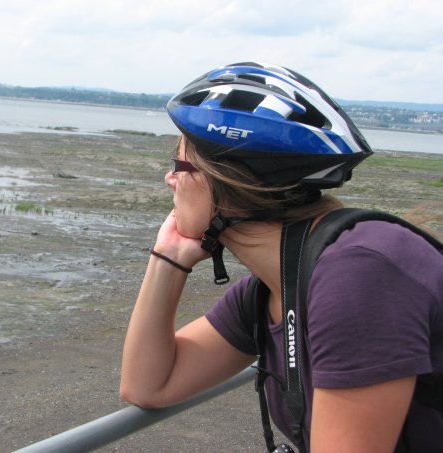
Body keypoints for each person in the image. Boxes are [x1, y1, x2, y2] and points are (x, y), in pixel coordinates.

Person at [119, 62, 443, 452]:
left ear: (226, 182)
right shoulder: (269, 291)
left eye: (179, 165)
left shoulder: (359, 275)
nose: (170, 179)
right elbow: (148, 385)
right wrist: (168, 258)